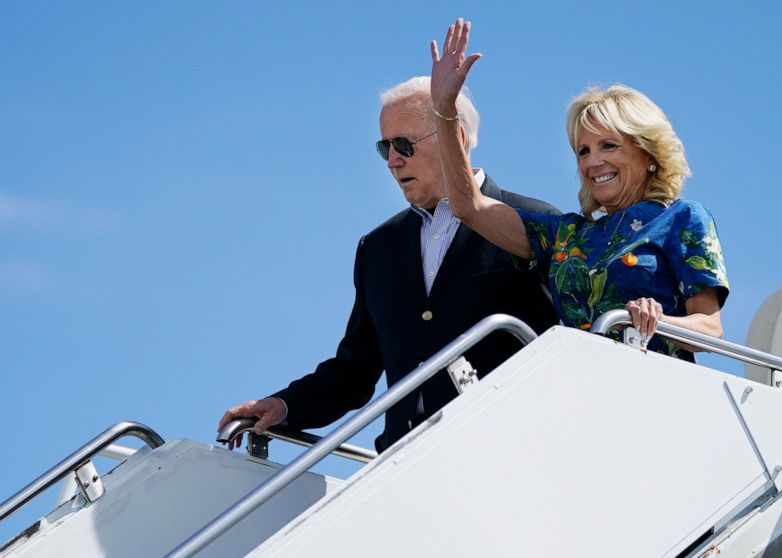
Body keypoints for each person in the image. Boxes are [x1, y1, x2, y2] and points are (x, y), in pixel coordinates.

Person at [218, 76, 558, 452]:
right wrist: (284, 405)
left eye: (404, 145)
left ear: (455, 138)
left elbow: (565, 345)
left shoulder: (535, 222)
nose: (393, 161)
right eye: (385, 147)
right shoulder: (377, 248)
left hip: (509, 455)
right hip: (404, 467)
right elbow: (355, 371)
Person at [429, 19, 728, 360]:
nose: (592, 162)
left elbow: (710, 328)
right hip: (578, 393)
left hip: (656, 395)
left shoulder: (683, 218)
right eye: (583, 151)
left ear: (648, 153)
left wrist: (657, 321)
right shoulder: (564, 235)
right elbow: (469, 205)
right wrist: (444, 110)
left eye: (608, 146)